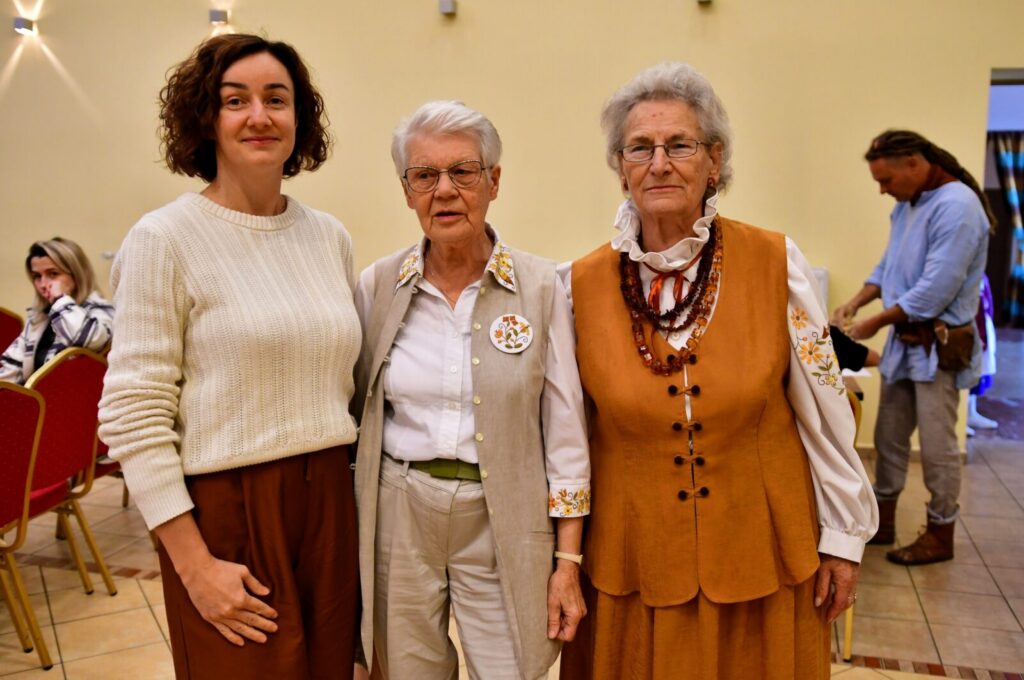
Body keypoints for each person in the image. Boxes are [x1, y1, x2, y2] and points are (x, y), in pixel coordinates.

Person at [559, 63, 877, 680]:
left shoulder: (775, 262)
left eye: (679, 145)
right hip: (633, 564)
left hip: (762, 555)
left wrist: (844, 537)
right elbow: (568, 438)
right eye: (640, 148)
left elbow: (825, 411)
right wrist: (565, 561)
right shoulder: (578, 286)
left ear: (714, 160)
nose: (659, 163)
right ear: (620, 168)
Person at [97, 34, 360, 679]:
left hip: (330, 503)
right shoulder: (163, 239)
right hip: (227, 514)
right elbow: (133, 413)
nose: (258, 116)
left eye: (277, 99)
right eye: (235, 100)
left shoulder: (328, 237)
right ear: (206, 118)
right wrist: (193, 564)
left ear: (299, 118)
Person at [353, 100, 590, 680]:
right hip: (400, 508)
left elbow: (566, 433)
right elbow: (357, 409)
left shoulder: (541, 288)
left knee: (511, 668)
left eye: (462, 171)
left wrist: (567, 560)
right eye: (424, 175)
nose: (444, 191)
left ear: (494, 181)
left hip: (502, 511)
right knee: (406, 670)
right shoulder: (379, 285)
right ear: (407, 191)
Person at [833, 129, 992, 565]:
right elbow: (889, 267)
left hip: (939, 346)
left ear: (914, 164)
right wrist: (856, 301)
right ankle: (882, 522)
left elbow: (935, 289)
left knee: (938, 447)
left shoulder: (958, 207)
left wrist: (874, 322)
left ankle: (941, 533)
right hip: (906, 343)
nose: (883, 191)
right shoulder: (908, 205)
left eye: (886, 180)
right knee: (889, 435)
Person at [0, 237, 113, 384]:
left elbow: (85, 339)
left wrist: (60, 299)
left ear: (76, 274)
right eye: (37, 276)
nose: (43, 284)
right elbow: (9, 371)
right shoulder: (38, 318)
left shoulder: (102, 310)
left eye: (53, 274)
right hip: (39, 397)